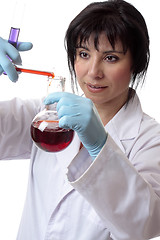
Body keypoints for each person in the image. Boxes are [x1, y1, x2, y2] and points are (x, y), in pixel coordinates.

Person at [0, 0, 160, 239]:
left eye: (111, 58)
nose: (93, 72)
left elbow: (142, 225)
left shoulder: (150, 141)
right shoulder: (46, 114)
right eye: (84, 54)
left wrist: (100, 148)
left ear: (135, 63)